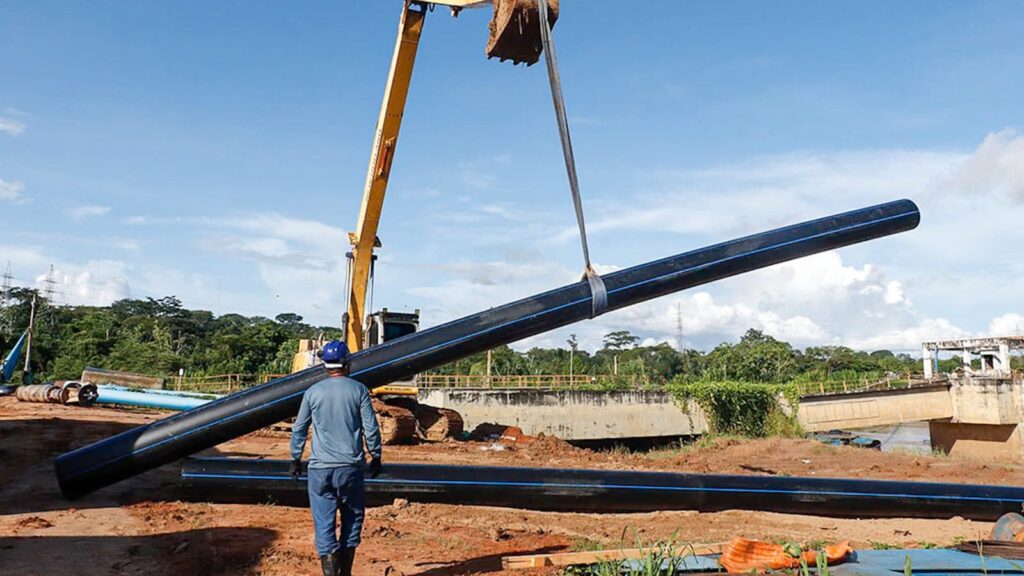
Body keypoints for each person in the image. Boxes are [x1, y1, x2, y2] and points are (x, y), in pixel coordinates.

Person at [290, 340, 383, 576]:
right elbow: (371, 428)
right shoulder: (358, 390)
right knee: (352, 518)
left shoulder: (312, 392)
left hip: (320, 470)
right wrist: (376, 456)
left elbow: (299, 428)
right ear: (347, 363)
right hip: (351, 468)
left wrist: (295, 458)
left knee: (324, 524)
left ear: (325, 365)